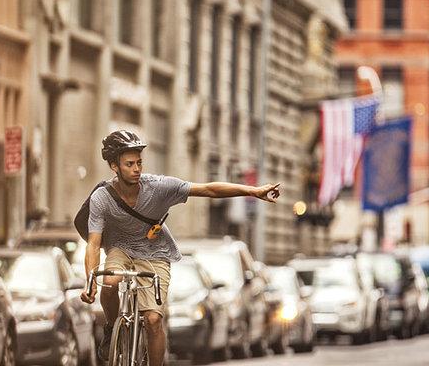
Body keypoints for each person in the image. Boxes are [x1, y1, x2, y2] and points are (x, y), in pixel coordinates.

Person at [80, 130, 280, 366]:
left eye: (139, 162)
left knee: (153, 319)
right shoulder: (101, 197)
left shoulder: (159, 187)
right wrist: (90, 282)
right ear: (114, 166)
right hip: (120, 248)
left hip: (155, 252)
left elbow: (207, 189)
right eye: (129, 164)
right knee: (110, 283)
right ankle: (113, 328)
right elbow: (93, 244)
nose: (137, 169)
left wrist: (252, 191)